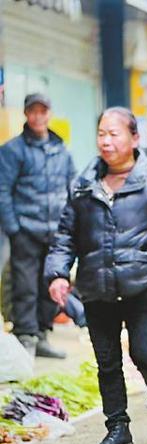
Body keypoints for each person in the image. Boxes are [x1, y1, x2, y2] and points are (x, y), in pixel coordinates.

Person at [44, 107, 147, 444]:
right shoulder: (83, 186)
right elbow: (65, 235)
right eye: (101, 134)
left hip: (142, 287)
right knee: (107, 361)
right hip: (97, 288)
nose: (106, 141)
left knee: (144, 353)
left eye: (114, 133)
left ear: (134, 138)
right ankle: (118, 429)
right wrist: (58, 273)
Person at [0, 93, 76, 358]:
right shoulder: (12, 150)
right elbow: (2, 190)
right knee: (25, 286)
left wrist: (70, 226)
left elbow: (72, 189)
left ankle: (42, 334)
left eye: (43, 111)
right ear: (25, 114)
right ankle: (26, 336)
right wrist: (13, 228)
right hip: (25, 231)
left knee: (51, 286)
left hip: (55, 231)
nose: (38, 116)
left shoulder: (61, 151)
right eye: (33, 111)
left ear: (49, 113)